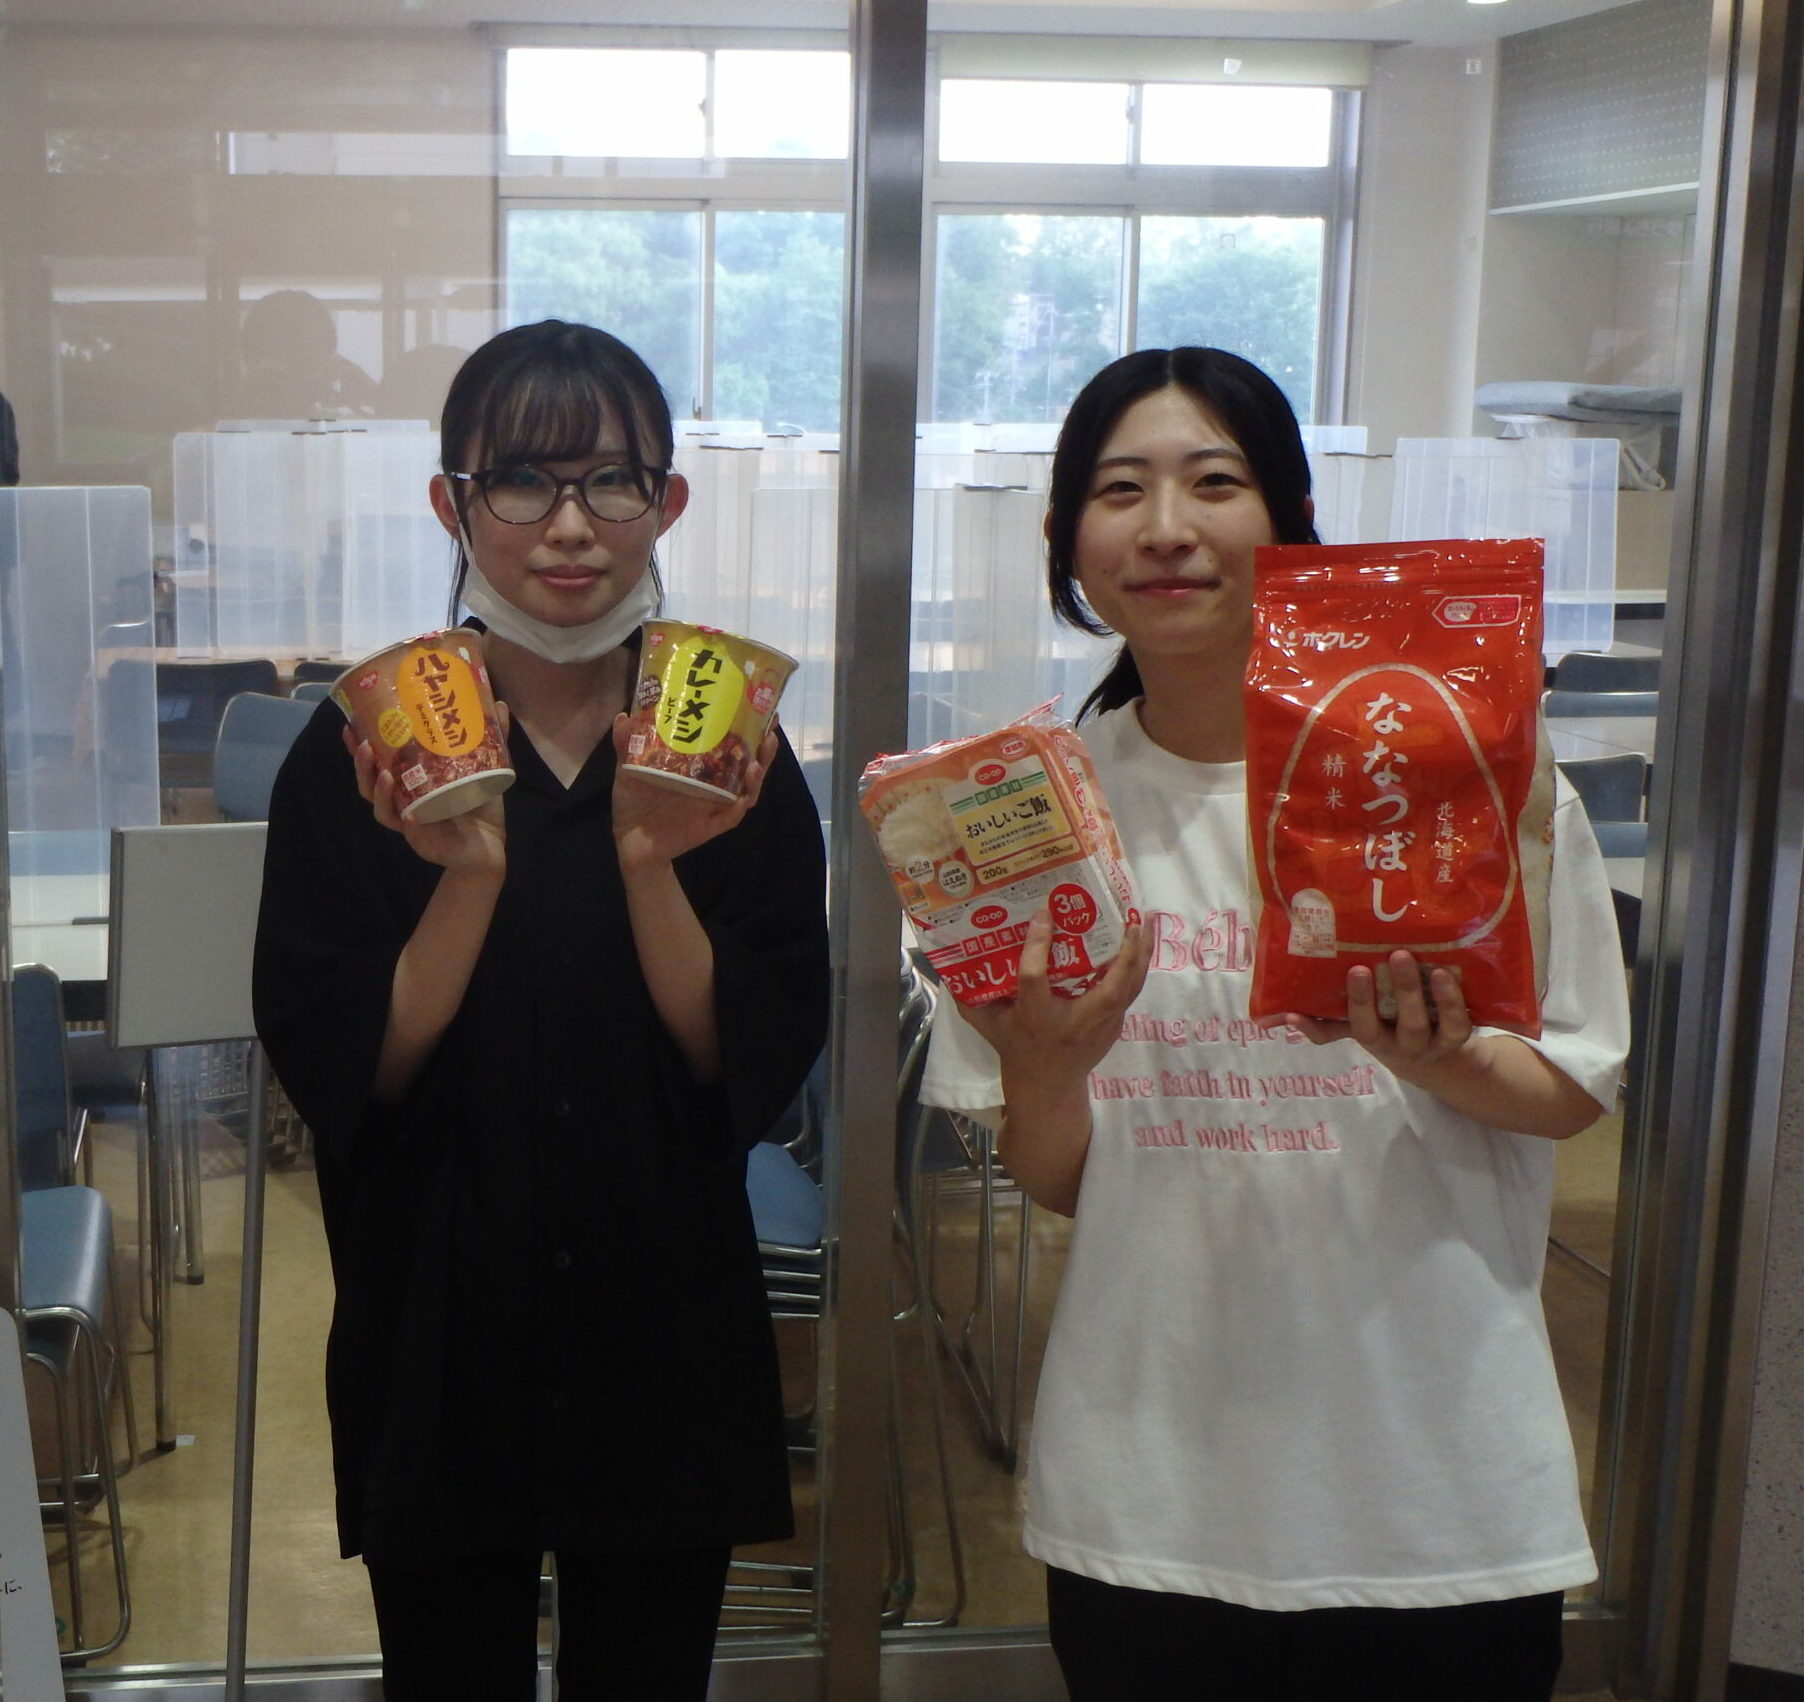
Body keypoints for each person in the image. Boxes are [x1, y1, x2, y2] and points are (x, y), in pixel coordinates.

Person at [920, 346, 1630, 1702]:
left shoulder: (1456, 780)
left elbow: (1570, 1092)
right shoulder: (1028, 825)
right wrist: (1047, 1070)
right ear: (1066, 537)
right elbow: (1063, 1178)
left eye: (1214, 482)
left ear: (1293, 522)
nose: (1165, 528)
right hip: (1150, 1481)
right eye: (1119, 490)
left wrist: (1440, 1055)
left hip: (1438, 1480)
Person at [252, 319, 829, 1701]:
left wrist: (650, 862)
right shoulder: (361, 750)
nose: (570, 527)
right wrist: (467, 877)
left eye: (611, 481)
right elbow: (357, 1069)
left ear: (666, 502)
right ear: (452, 502)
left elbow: (742, 1065)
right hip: (438, 1311)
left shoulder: (729, 749)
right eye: (521, 481)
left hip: (660, 1310)